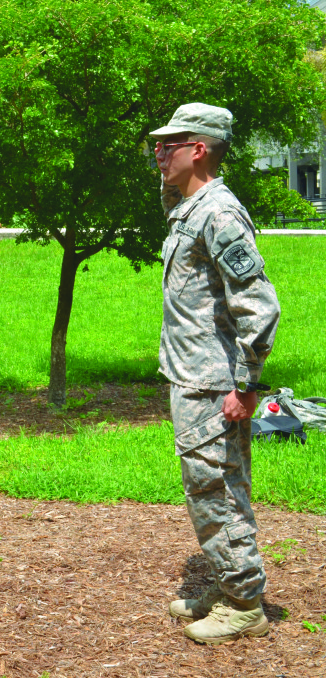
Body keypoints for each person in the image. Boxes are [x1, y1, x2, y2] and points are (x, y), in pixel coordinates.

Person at [151, 103, 281, 645]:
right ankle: (229, 587)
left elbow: (259, 305)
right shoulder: (190, 207)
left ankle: (244, 603)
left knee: (218, 491)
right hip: (192, 377)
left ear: (198, 149)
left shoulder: (219, 213)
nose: (157, 151)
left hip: (215, 385)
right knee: (208, 489)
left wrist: (247, 386)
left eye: (169, 144)